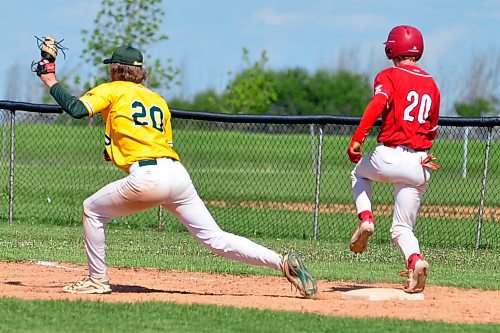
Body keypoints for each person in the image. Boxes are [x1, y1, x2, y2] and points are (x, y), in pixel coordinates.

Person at [37, 44, 317, 297]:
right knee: (215, 238)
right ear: (140, 72)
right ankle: (282, 262)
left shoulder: (112, 89)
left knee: (92, 209)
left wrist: (51, 80)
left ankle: (97, 280)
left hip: (148, 177)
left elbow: (75, 109)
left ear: (115, 70)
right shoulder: (157, 100)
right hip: (176, 174)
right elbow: (154, 140)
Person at [346, 25, 440, 293]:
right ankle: (415, 261)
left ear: (391, 48)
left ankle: (366, 218)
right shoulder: (431, 84)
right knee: (401, 228)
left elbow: (378, 104)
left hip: (388, 155)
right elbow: (432, 128)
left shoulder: (388, 75)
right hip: (419, 163)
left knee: (359, 173)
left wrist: (358, 138)